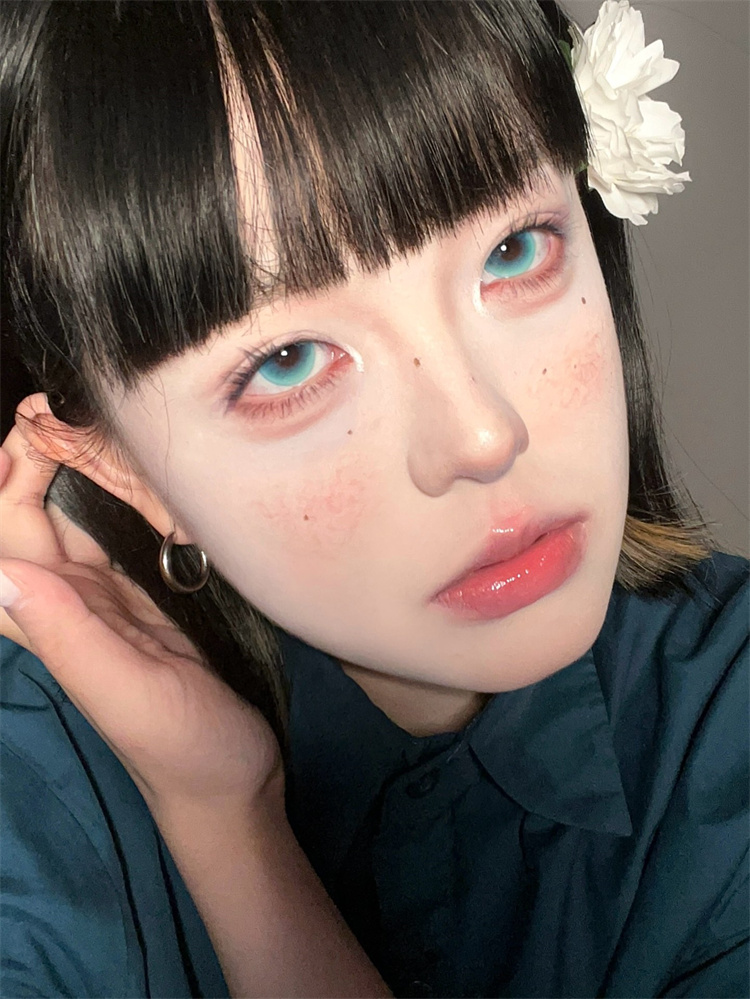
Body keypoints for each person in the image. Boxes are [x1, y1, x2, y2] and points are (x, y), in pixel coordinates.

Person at [1, 1, 747, 996]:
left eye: (515, 250)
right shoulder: (39, 788)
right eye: (288, 360)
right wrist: (221, 805)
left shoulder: (727, 712)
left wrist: (234, 834)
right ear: (116, 467)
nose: (484, 436)